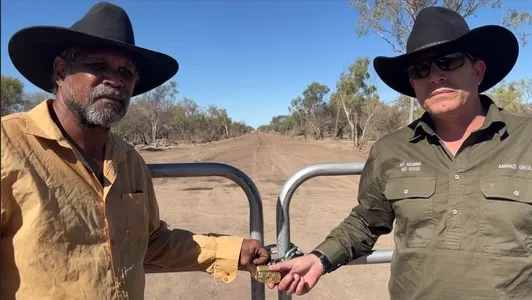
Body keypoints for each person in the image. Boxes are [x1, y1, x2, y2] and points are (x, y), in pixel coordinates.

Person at [0, 2, 270, 299]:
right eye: (98, 66)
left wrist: (233, 251)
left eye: (126, 72)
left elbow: (150, 242)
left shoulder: (129, 161)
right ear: (61, 70)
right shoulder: (7, 144)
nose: (116, 80)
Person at [267, 6, 531, 299]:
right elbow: (366, 221)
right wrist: (319, 259)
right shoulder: (390, 150)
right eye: (421, 69)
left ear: (478, 70)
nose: (435, 76)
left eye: (450, 61)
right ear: (413, 83)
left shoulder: (527, 139)